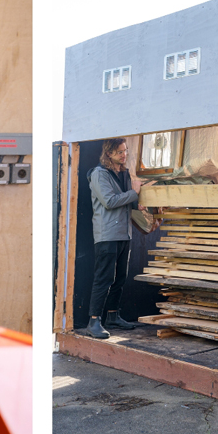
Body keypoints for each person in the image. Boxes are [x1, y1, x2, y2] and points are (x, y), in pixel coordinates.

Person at [82, 138, 146, 339]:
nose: (124, 155)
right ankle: (93, 322)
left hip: (124, 233)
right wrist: (134, 194)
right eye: (120, 152)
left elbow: (127, 200)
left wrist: (139, 204)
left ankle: (112, 316)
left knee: (119, 278)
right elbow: (109, 201)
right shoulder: (99, 174)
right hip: (107, 234)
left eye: (125, 151)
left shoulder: (124, 173)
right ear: (109, 153)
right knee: (104, 278)